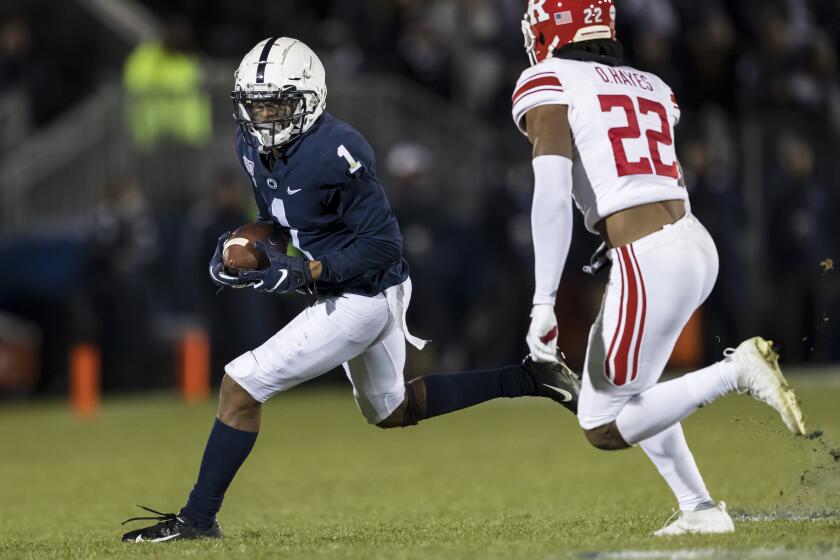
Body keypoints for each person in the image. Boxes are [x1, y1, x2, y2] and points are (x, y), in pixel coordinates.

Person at [121, 37, 581, 543]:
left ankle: (198, 519)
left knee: (240, 386)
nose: (264, 116)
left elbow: (383, 246)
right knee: (392, 410)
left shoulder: (338, 151)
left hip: (365, 295)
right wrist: (237, 245)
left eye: (277, 103)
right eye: (256, 105)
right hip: (348, 287)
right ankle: (529, 378)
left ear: (310, 98)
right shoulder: (250, 144)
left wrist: (306, 272)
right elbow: (277, 220)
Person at [514, 0, 806, 536]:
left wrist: (543, 299)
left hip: (649, 258)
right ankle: (699, 509)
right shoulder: (652, 85)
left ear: (551, 28)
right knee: (637, 395)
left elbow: (552, 194)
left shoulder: (548, 77)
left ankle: (734, 371)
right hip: (691, 243)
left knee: (601, 424)